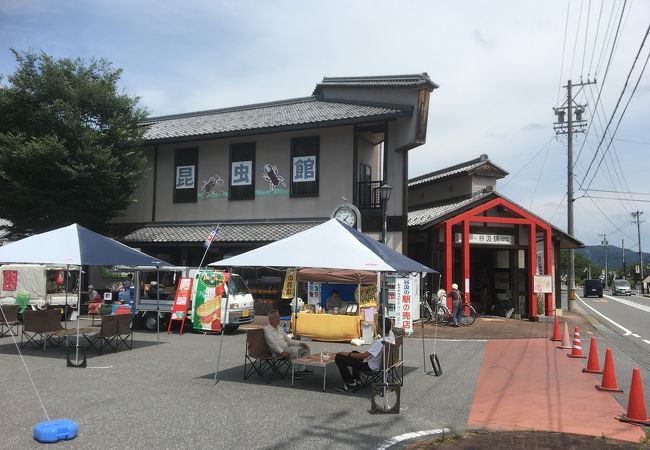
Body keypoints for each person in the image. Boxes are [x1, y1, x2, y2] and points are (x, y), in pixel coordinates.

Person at [334, 318, 395, 392]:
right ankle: (357, 380)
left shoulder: (380, 342)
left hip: (370, 366)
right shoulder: (391, 336)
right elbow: (390, 323)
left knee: (339, 358)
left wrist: (347, 354)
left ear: (382, 328)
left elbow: (364, 356)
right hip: (379, 364)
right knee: (354, 352)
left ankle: (350, 383)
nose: (375, 327)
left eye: (377, 325)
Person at [263, 309, 312, 377]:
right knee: (294, 351)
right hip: (277, 352)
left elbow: (289, 340)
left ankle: (302, 369)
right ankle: (294, 372)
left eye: (279, 317)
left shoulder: (280, 328)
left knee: (306, 348)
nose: (278, 319)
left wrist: (300, 343)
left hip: (287, 348)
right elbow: (272, 343)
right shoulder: (267, 329)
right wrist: (281, 352)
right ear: (270, 319)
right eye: (276, 317)